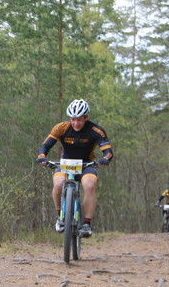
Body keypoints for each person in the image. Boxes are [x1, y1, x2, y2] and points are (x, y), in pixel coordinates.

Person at [36, 99, 114, 237]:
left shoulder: (95, 130)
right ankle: (60, 216)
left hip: (86, 165)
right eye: (73, 119)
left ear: (86, 118)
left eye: (79, 120)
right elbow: (45, 146)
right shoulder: (61, 128)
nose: (76, 123)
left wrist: (105, 159)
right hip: (65, 164)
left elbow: (107, 150)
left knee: (89, 186)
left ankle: (86, 223)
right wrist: (42, 156)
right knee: (58, 184)